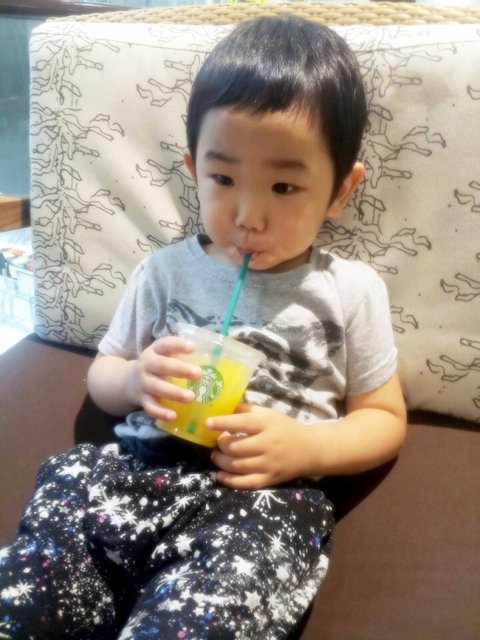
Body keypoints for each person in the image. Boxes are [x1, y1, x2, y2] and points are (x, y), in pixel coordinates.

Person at [0, 15, 406, 640]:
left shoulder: (350, 290)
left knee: (202, 618)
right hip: (132, 472)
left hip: (254, 501)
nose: (248, 216)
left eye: (284, 185)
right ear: (193, 169)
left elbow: (383, 417)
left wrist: (308, 448)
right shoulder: (164, 272)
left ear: (340, 191)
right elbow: (104, 374)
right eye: (222, 179)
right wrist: (133, 380)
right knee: (41, 567)